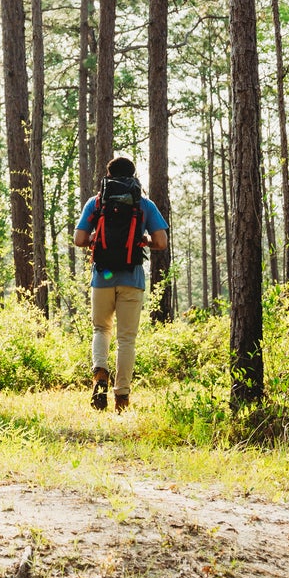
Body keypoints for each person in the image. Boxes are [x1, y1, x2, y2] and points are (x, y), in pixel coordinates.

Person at [74, 156, 169, 412]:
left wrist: (96, 238)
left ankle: (100, 372)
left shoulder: (95, 203)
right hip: (132, 277)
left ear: (108, 174)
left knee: (100, 329)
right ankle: (122, 397)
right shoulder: (144, 204)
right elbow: (161, 242)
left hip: (101, 276)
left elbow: (79, 239)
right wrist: (144, 240)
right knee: (126, 339)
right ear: (133, 175)